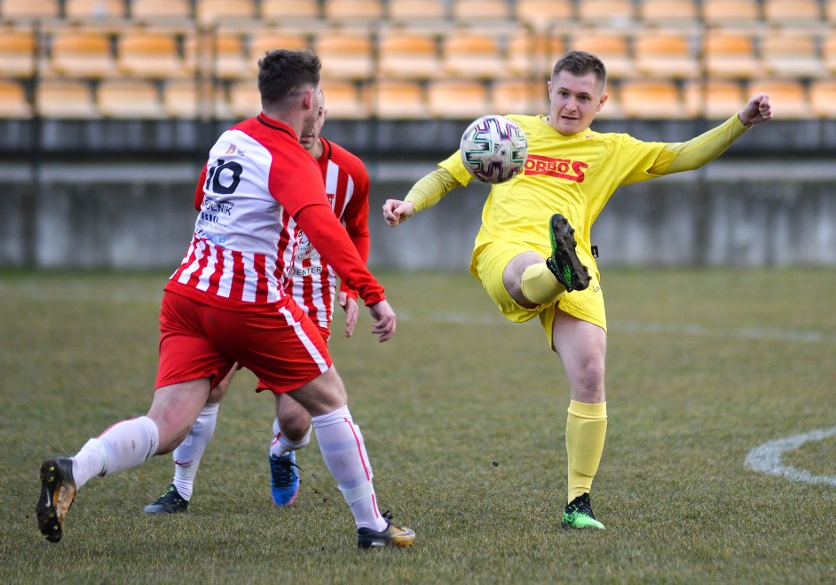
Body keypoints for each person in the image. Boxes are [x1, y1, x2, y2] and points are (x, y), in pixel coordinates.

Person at [36, 49, 415, 550]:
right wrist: (371, 293)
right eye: (319, 93)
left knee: (165, 426)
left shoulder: (229, 139)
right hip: (248, 301)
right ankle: (373, 527)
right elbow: (323, 226)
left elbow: (202, 202)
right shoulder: (290, 156)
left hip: (187, 293)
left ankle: (74, 470)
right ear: (308, 98)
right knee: (330, 401)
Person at [382, 50, 773, 531]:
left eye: (583, 97)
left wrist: (742, 121)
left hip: (579, 266)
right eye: (563, 92)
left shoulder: (612, 151)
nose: (570, 105)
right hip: (505, 248)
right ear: (549, 87)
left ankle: (578, 504)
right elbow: (448, 173)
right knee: (525, 273)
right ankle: (553, 269)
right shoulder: (508, 132)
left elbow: (684, 156)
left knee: (590, 373)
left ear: (601, 101)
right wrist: (410, 204)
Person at [144, 88, 373, 514]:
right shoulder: (255, 151)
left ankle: (282, 453)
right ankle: (180, 488)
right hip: (244, 285)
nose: (308, 127)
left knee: (297, 419)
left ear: (322, 114)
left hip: (307, 292)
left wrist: (353, 287)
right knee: (211, 388)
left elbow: (356, 229)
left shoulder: (349, 171)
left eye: (318, 116)